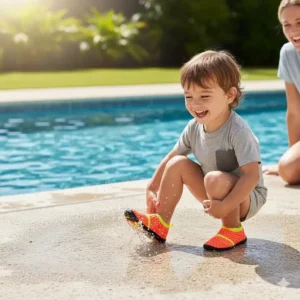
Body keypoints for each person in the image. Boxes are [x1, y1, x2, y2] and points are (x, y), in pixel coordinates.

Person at [124, 50, 267, 251]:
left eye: (205, 96)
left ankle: (233, 230)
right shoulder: (194, 127)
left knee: (214, 179)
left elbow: (251, 176)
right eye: (188, 96)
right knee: (177, 164)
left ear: (230, 95)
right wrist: (152, 187)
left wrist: (226, 206)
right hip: (214, 190)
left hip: (246, 197)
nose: (195, 104)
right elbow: (173, 156)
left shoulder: (238, 131)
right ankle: (160, 222)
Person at [264, 0, 300, 184]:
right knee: (288, 169)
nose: (294, 31)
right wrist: (293, 155)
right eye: (287, 25)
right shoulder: (288, 54)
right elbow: (294, 112)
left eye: (299, 22)